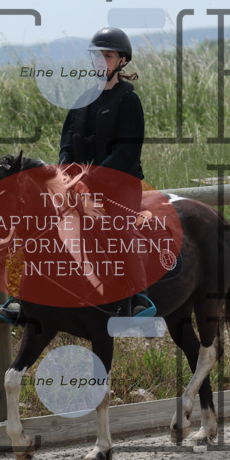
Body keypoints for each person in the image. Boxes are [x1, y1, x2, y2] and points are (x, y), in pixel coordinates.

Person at [58, 27, 155, 317]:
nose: (101, 61)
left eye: (108, 56)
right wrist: (66, 174)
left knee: (121, 230)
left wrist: (88, 179)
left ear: (122, 60)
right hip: (79, 186)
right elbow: (66, 144)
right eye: (97, 56)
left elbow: (125, 155)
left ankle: (140, 297)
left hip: (119, 185)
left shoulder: (128, 101)